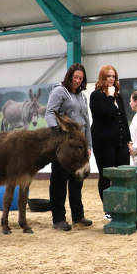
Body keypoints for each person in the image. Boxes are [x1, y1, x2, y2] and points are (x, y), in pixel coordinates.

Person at [45, 63, 93, 231]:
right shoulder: (59, 91)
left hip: (79, 147)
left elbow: (86, 122)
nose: (77, 81)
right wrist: (59, 135)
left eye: (80, 79)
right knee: (59, 180)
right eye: (75, 78)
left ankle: (78, 216)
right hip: (64, 146)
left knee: (77, 181)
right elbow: (50, 112)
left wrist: (89, 146)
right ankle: (58, 219)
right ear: (69, 76)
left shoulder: (82, 96)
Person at [89, 65, 132, 220]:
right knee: (106, 176)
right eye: (108, 76)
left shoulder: (118, 96)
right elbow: (106, 115)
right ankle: (109, 209)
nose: (112, 79)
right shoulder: (96, 96)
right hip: (103, 143)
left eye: (114, 76)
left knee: (123, 176)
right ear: (103, 78)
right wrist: (110, 97)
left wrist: (129, 140)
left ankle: (123, 207)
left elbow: (123, 119)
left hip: (120, 143)